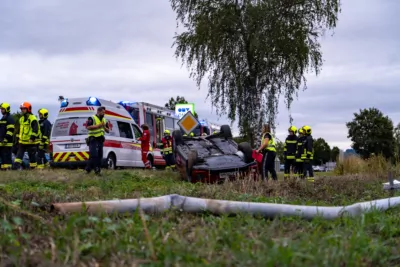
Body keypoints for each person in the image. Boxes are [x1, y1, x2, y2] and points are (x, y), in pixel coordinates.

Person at [14, 102, 39, 170]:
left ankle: (33, 169)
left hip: (30, 142)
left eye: (24, 109)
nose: (22, 110)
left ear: (28, 109)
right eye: (21, 109)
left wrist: (32, 138)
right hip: (22, 142)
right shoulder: (21, 119)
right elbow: (19, 130)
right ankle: (15, 168)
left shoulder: (32, 118)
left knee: (32, 157)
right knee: (18, 156)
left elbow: (35, 129)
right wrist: (17, 139)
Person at [85, 106, 109, 175]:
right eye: (102, 112)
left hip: (100, 139)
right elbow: (88, 127)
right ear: (98, 111)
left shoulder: (104, 120)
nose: (103, 113)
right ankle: (97, 170)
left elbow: (108, 130)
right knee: (94, 155)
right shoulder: (92, 118)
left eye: (104, 112)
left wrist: (104, 126)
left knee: (99, 155)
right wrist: (98, 126)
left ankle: (88, 169)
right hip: (93, 138)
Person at [0, 103, 15, 170]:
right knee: (3, 157)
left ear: (7, 109)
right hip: (2, 142)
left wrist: (6, 139)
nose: (1, 110)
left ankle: (8, 169)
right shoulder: (3, 118)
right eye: (1, 109)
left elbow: (10, 130)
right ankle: (3, 169)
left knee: (7, 157)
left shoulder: (9, 118)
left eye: (3, 109)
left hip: (7, 142)